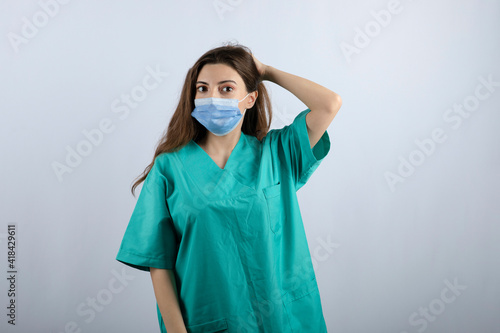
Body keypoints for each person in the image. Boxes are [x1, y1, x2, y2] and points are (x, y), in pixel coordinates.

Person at [116, 43, 342, 332]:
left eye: (226, 89)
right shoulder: (170, 168)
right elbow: (159, 262)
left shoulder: (277, 153)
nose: (212, 97)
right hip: (213, 319)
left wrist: (267, 72)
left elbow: (329, 104)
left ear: (250, 98)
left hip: (287, 318)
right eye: (202, 89)